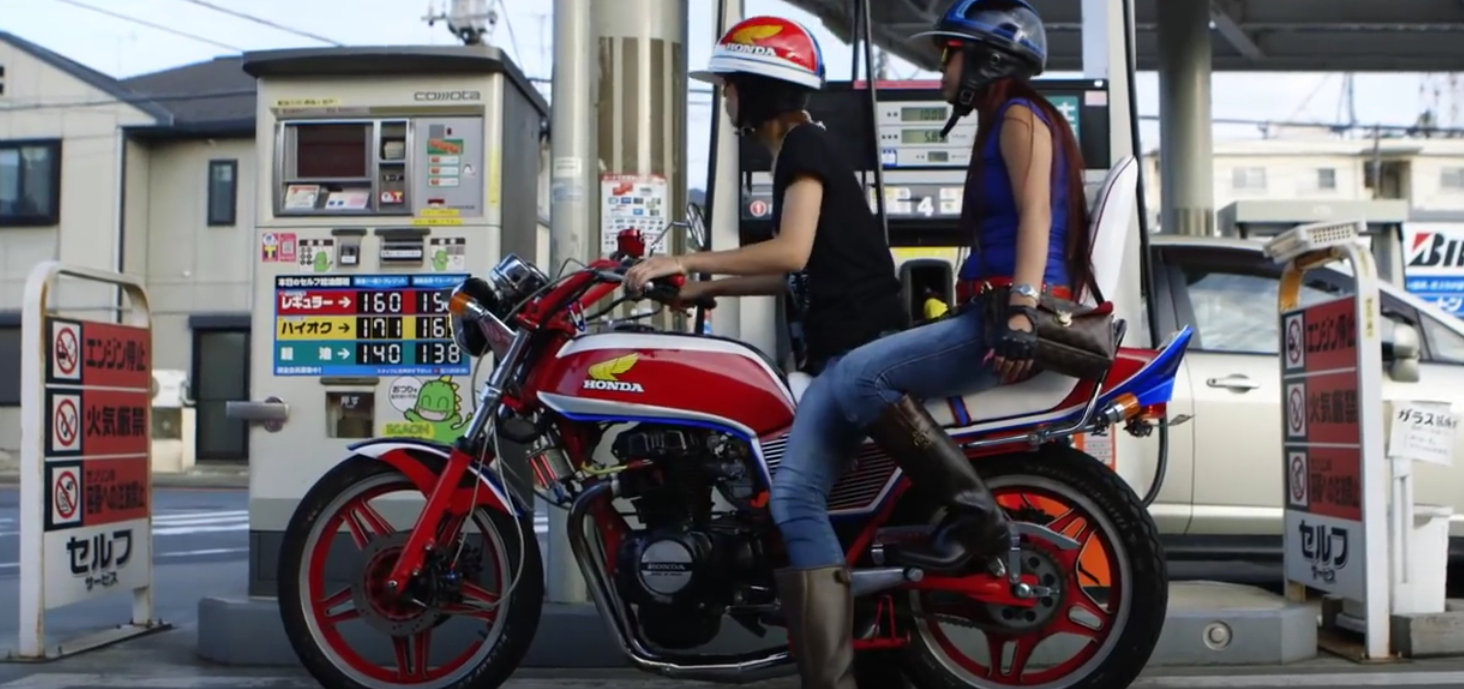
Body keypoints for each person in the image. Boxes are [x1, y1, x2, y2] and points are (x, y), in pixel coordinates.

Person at [757, 0, 1095, 679]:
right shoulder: (1002, 119)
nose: (942, 64)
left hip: (1004, 316)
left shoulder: (1022, 116)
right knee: (796, 493)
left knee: (855, 375)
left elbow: (1037, 217)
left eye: (950, 52)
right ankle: (830, 672)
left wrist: (1024, 313)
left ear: (989, 58)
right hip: (989, 310)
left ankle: (977, 515)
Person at [624, 16, 904, 688]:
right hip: (846, 352)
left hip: (852, 359)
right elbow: (800, 271)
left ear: (759, 89)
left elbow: (791, 251)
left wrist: (684, 256)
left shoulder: (804, 149)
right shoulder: (807, 149)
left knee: (795, 497)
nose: (725, 101)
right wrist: (706, 285)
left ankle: (829, 676)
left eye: (729, 88)